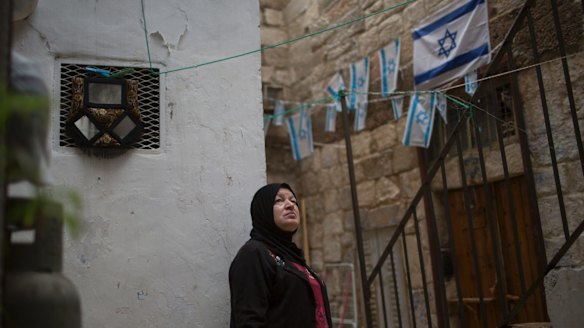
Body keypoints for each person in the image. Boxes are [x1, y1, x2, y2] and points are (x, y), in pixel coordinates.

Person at [229, 183, 332, 328]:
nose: (290, 205)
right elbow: (249, 321)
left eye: (293, 201)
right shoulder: (253, 254)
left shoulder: (293, 257)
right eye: (279, 200)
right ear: (263, 210)